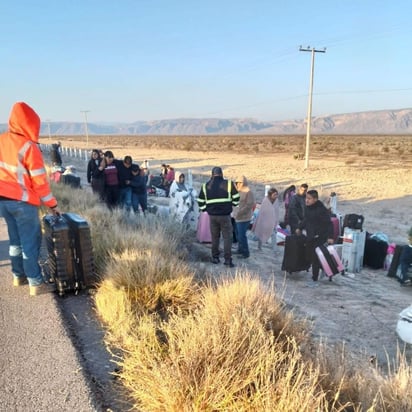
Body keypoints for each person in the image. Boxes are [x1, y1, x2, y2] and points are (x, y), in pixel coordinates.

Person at [0, 102, 60, 296]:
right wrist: (53, 204)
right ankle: (36, 282)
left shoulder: (1, 140)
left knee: (15, 240)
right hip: (23, 203)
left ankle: (18, 276)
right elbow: (40, 182)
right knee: (30, 242)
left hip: (4, 202)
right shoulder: (28, 147)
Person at [197, 166, 240, 267]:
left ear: (212, 175)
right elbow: (236, 198)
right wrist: (233, 205)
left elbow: (200, 201)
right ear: (221, 174)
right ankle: (228, 260)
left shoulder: (205, 186)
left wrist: (205, 209)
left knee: (215, 238)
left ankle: (215, 258)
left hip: (212, 217)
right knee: (227, 238)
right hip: (225, 216)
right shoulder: (229, 184)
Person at [298, 189, 334, 282]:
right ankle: (325, 269)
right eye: (306, 198)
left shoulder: (321, 210)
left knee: (315, 257)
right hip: (310, 235)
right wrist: (300, 227)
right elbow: (306, 219)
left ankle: (314, 279)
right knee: (309, 256)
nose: (306, 200)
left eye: (309, 198)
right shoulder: (307, 208)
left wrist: (330, 237)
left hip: (320, 236)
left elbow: (329, 223)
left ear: (315, 199)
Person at [233, 175, 255, 258]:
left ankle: (245, 253)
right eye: (237, 183)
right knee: (238, 235)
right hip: (236, 217)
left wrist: (240, 213)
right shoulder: (237, 191)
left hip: (244, 218)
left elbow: (249, 205)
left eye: (239, 183)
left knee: (242, 236)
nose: (238, 184)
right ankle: (240, 249)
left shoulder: (248, 192)